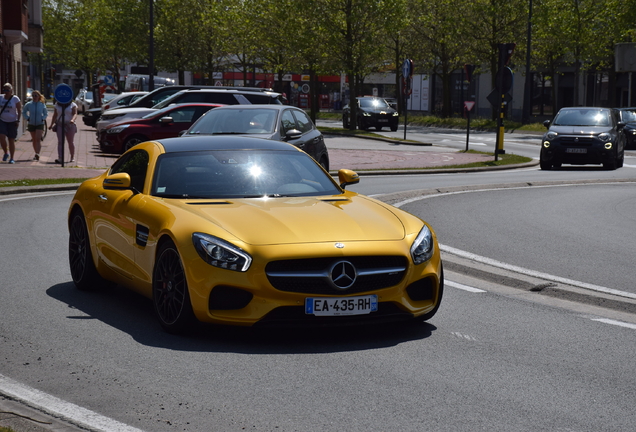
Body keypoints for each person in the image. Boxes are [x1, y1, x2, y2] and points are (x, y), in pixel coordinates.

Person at [49, 98, 78, 163]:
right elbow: (55, 115)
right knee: (60, 142)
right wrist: (51, 124)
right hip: (60, 124)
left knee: (70, 142)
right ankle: (60, 157)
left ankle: (72, 156)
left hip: (70, 125)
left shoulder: (73, 105)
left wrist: (72, 120)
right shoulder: (57, 105)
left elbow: (75, 114)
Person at [22, 90, 48, 161]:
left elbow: (46, 113)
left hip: (40, 123)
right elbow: (24, 112)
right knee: (34, 139)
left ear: (39, 96)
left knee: (38, 139)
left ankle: (37, 153)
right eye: (33, 96)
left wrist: (43, 118)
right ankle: (36, 152)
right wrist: (27, 118)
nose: (34, 97)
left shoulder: (42, 104)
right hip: (31, 123)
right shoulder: (29, 104)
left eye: (36, 95)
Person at [0, 83, 22, 164]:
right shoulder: (1, 97)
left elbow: (19, 110)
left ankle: (12, 158)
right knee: (1, 136)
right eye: (4, 89)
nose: (6, 91)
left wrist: (18, 120)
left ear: (11, 90)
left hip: (12, 121)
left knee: (11, 139)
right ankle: (6, 153)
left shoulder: (15, 98)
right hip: (2, 120)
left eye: (8, 90)